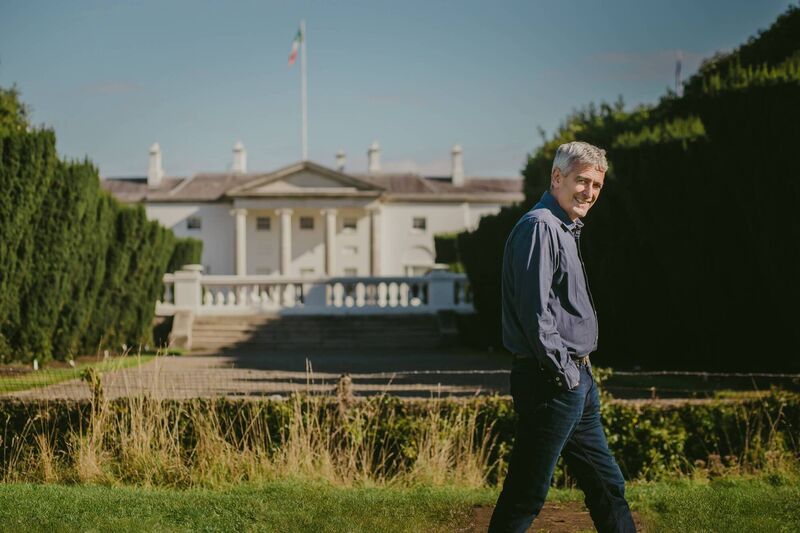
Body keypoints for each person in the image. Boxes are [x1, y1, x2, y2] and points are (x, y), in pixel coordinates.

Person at [488, 141, 636, 533]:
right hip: (551, 381)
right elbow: (536, 316)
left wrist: (579, 377)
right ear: (557, 177)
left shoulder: (565, 227)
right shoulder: (540, 228)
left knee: (607, 486)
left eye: (597, 185)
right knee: (527, 494)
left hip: (576, 382)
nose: (589, 192)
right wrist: (566, 374)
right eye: (581, 181)